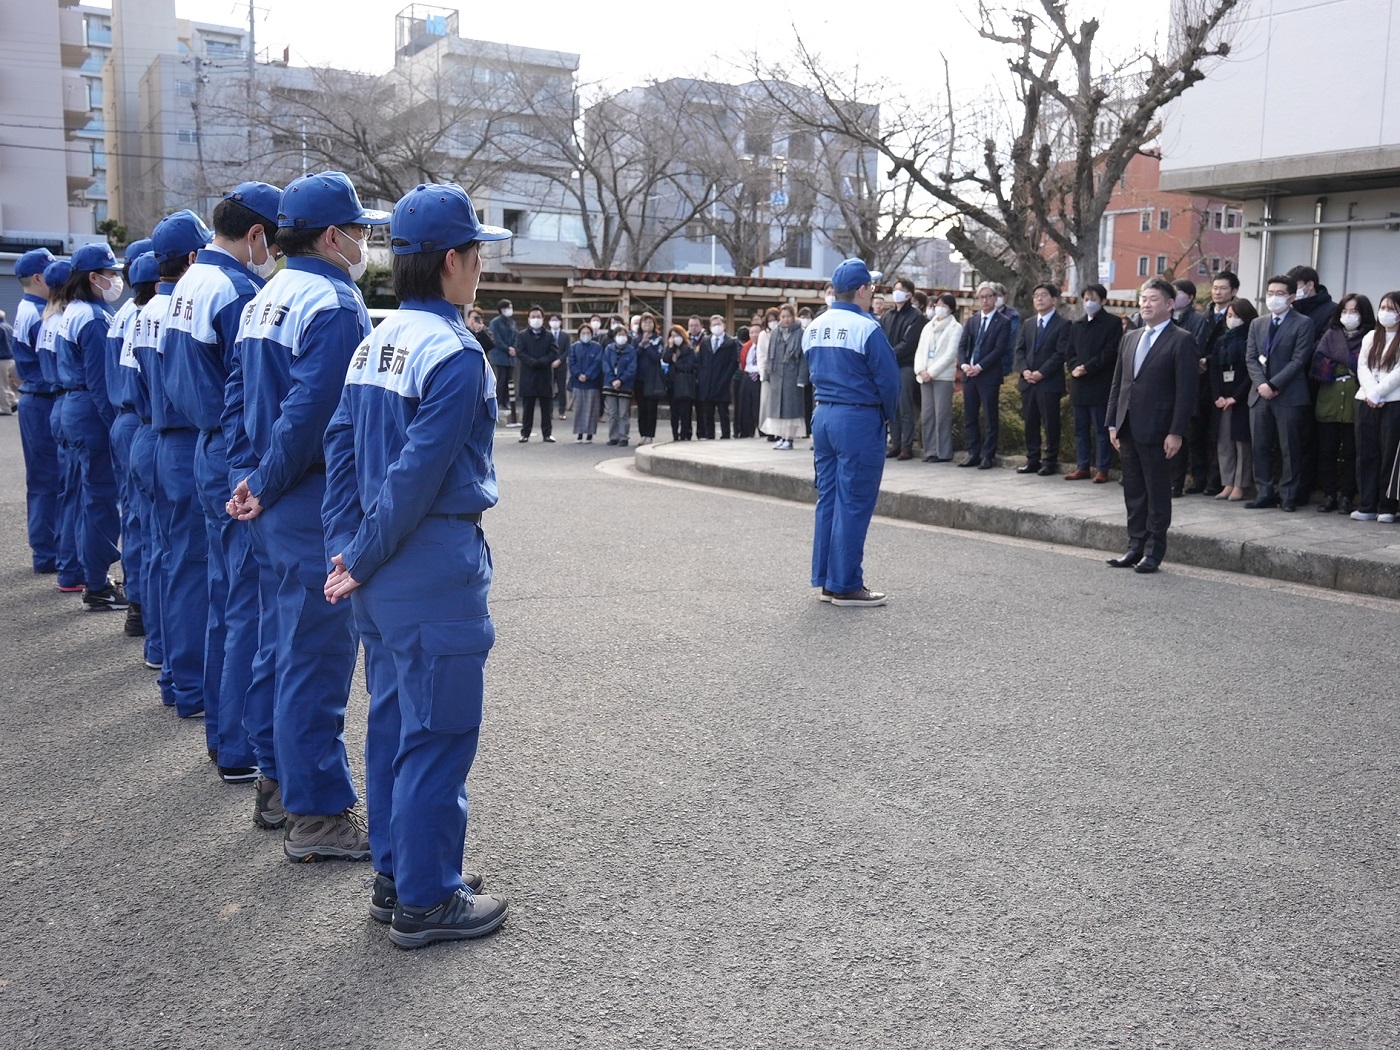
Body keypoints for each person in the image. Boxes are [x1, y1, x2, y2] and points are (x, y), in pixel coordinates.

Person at [322, 182, 510, 948]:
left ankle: (398, 876)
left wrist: (348, 548)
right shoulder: (457, 353)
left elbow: (340, 447)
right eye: (477, 255)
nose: (479, 268)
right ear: (455, 262)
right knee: (440, 730)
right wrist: (361, 553)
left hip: (377, 558)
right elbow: (419, 474)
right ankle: (429, 900)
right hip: (427, 558)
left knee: (397, 720)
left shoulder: (376, 337)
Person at [226, 170, 388, 859]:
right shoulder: (336, 301)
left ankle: (276, 783)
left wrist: (246, 479)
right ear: (331, 236)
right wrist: (265, 479)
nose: (362, 242)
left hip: (265, 495)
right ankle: (316, 815)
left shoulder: (265, 296)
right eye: (357, 230)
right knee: (315, 660)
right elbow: (314, 414)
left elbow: (236, 396)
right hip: (303, 499)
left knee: (277, 644)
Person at [161, 183, 282, 785]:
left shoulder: (189, 282)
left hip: (201, 445)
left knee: (218, 595)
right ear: (257, 234)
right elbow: (248, 391)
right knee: (246, 605)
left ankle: (219, 730)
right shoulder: (237, 289)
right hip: (231, 452)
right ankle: (238, 744)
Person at [806, 258, 899, 607]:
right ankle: (846, 583)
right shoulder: (867, 327)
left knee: (828, 499)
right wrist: (885, 419)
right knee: (854, 502)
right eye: (871, 287)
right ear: (861, 290)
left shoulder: (815, 325)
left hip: (824, 415)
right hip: (857, 418)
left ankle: (828, 579)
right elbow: (888, 383)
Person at [1104, 278, 1199, 573]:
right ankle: (1134, 546)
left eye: (1153, 299)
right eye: (1143, 299)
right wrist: (1112, 423)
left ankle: (1154, 550)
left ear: (1170, 304)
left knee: (1157, 491)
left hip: (1159, 428)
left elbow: (1186, 391)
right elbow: (1119, 383)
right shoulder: (1130, 337)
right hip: (1128, 425)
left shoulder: (1182, 339)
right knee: (1133, 489)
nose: (1145, 304)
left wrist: (1176, 431)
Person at [56, 242, 127, 610]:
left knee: (86, 496)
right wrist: (115, 428)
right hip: (89, 408)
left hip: (73, 404)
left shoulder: (74, 310)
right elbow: (102, 382)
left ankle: (86, 574)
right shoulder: (96, 318)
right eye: (111, 273)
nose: (116, 279)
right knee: (101, 499)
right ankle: (97, 584)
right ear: (93, 278)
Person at [107, 249, 157, 642]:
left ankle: (139, 604)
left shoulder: (128, 314)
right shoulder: (156, 314)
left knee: (137, 519)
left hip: (128, 420)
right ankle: (142, 609)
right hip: (149, 423)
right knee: (152, 528)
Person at [1244, 274, 1316, 512]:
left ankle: (1288, 495)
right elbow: (1251, 358)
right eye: (1270, 293)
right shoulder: (1257, 323)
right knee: (1260, 447)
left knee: (1290, 448)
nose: (1274, 298)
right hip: (1259, 395)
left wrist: (1273, 385)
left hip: (1289, 395)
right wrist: (1261, 384)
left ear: (1292, 297)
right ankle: (1264, 492)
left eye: (1280, 294)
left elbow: (1299, 360)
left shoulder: (1303, 323)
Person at [11, 248, 62, 574]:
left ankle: (46, 550)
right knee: (47, 481)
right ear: (39, 278)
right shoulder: (37, 313)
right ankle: (47, 553)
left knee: (43, 480)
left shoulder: (26, 307)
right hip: (41, 399)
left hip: (34, 399)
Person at [1312, 293, 1371, 513]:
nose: (1348, 316)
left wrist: (1343, 363)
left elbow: (1368, 365)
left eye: (1354, 311)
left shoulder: (1370, 337)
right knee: (1326, 450)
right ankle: (1329, 494)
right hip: (1329, 398)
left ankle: (1348, 495)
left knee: (1352, 452)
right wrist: (1348, 365)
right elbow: (1319, 364)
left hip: (1357, 399)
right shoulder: (1330, 335)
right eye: (1345, 311)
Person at [1352, 292, 1400, 523]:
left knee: (1389, 455)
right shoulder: (1371, 336)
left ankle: (1387, 506)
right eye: (1383, 307)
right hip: (1366, 400)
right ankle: (1367, 504)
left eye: (1392, 308)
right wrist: (1371, 391)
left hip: (1393, 401)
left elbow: (1398, 373)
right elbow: (1362, 366)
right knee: (1366, 454)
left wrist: (1380, 392)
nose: (1385, 313)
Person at [1013, 282, 1070, 476]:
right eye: (1036, 295)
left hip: (1048, 382)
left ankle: (1050, 461)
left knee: (1050, 423)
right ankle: (1032, 459)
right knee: (1030, 422)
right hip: (1028, 381)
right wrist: (1024, 370)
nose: (1038, 298)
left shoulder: (1063, 324)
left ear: (1053, 300)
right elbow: (1019, 350)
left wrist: (1041, 373)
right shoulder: (1028, 323)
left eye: (1043, 295)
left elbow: (1060, 353)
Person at [1064, 284, 1118, 482]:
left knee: (1102, 430)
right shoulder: (1077, 325)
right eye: (1086, 299)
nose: (1089, 303)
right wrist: (1074, 367)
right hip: (1079, 384)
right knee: (1081, 429)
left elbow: (1110, 352)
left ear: (1103, 301)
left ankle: (1103, 468)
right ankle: (1082, 465)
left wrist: (1088, 367)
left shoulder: (1112, 323)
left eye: (1093, 299)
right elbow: (1069, 351)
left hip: (1100, 383)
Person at [956, 283, 1013, 469]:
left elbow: (999, 349)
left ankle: (988, 455)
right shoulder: (972, 320)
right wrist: (964, 364)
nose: (985, 300)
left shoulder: (1003, 322)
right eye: (981, 297)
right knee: (970, 416)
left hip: (988, 375)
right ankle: (973, 452)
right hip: (969, 375)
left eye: (989, 296)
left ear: (995, 298)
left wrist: (980, 366)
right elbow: (963, 345)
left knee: (990, 416)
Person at [1209, 297, 1258, 502]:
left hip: (1242, 398)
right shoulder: (1221, 341)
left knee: (1241, 443)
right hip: (1223, 397)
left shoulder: (1250, 339)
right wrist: (1218, 395)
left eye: (1236, 316)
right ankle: (1227, 482)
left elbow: (1250, 373)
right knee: (1224, 443)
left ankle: (1240, 484)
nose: (1232, 320)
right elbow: (1213, 370)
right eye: (1229, 316)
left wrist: (1235, 397)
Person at [1170, 279, 1211, 495]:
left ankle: (1180, 481)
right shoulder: (1165, 317)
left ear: (1190, 297)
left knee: (1185, 435)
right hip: (1165, 384)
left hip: (1187, 382)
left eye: (1179, 293)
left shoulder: (1197, 320)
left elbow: (1196, 349)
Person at [880, 277, 927, 460]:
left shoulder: (916, 317)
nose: (896, 293)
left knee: (905, 406)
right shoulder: (887, 316)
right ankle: (895, 443)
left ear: (909, 294)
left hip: (905, 366)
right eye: (895, 289)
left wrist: (889, 354)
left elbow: (909, 343)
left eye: (899, 290)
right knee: (892, 407)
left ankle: (907, 445)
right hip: (889, 367)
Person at [913, 293, 961, 462]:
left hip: (942, 377)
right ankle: (930, 450)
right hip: (924, 376)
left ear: (951, 308)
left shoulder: (955, 328)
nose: (939, 308)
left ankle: (943, 452)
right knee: (927, 415)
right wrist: (920, 370)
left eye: (943, 305)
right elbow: (920, 350)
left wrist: (931, 372)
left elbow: (950, 355)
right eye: (937, 305)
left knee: (942, 415)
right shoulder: (928, 326)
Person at [763, 304, 808, 450]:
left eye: (788, 316)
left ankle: (789, 439)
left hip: (792, 376)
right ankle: (781, 437)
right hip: (777, 375)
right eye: (783, 317)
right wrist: (767, 374)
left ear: (793, 317)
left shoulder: (800, 332)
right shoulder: (776, 332)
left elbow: (803, 358)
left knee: (791, 410)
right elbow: (770, 353)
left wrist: (802, 378)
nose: (786, 320)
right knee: (778, 409)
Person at [513, 305, 559, 443]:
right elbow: (520, 352)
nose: (536, 319)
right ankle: (525, 433)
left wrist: (542, 361)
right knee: (528, 407)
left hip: (544, 375)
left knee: (546, 408)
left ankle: (547, 433)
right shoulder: (522, 336)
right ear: (528, 319)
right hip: (528, 374)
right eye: (533, 317)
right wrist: (532, 362)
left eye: (538, 317)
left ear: (543, 318)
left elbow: (554, 352)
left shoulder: (549, 336)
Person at [696, 315, 737, 439]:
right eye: (713, 325)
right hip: (707, 383)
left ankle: (725, 435)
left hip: (722, 382)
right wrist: (702, 377)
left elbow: (733, 363)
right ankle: (710, 435)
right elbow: (700, 361)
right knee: (708, 413)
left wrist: (725, 378)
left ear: (724, 326)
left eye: (718, 324)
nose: (716, 327)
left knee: (723, 412)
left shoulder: (730, 342)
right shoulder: (705, 342)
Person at [633, 312, 666, 444]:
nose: (647, 324)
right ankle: (642, 434)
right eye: (645, 322)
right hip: (639, 378)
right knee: (642, 408)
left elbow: (656, 357)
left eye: (650, 322)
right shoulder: (636, 339)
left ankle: (650, 435)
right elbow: (634, 356)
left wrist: (647, 345)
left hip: (653, 379)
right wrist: (641, 345)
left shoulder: (658, 340)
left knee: (652, 408)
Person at [602, 324, 637, 446]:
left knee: (623, 413)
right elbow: (605, 365)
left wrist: (621, 380)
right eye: (619, 334)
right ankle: (613, 436)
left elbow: (632, 368)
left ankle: (623, 437)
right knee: (612, 413)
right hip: (610, 383)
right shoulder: (608, 349)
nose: (621, 337)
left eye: (623, 334)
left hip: (625, 384)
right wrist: (612, 379)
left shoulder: (631, 350)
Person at [568, 322, 603, 441]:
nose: (586, 335)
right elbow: (572, 363)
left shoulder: (597, 347)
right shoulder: (574, 347)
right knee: (579, 408)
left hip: (592, 383)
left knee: (591, 408)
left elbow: (598, 363)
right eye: (583, 333)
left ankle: (589, 433)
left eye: (588, 333)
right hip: (578, 382)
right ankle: (579, 432)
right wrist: (578, 374)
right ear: (579, 334)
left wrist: (588, 375)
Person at [488, 299, 518, 427]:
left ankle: (507, 401)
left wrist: (514, 347)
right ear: (501, 309)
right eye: (508, 307)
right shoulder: (495, 323)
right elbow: (496, 339)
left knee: (509, 380)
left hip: (511, 356)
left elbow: (516, 336)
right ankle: (500, 401)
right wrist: (507, 348)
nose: (510, 310)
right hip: (500, 355)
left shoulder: (512, 322)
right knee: (501, 379)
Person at [665, 325, 697, 440]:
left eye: (677, 336)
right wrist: (669, 347)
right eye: (672, 336)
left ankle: (685, 434)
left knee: (685, 412)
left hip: (684, 384)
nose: (675, 338)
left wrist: (676, 362)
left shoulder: (688, 349)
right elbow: (665, 359)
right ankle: (675, 434)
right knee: (674, 412)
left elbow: (689, 366)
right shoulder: (671, 349)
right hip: (672, 384)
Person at [735, 323, 761, 439]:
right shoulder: (747, 347)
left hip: (760, 378)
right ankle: (746, 431)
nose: (754, 335)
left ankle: (762, 431)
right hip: (747, 376)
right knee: (745, 405)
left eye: (757, 332)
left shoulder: (765, 345)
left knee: (759, 406)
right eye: (752, 333)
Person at [0, 310, 15, 416]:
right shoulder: (9, 327)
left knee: (2, 385)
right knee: (8, 383)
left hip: (2, 360)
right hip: (11, 359)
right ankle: (13, 402)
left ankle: (6, 408)